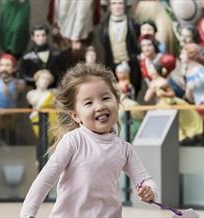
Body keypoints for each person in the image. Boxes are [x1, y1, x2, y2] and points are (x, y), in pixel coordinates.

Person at [21, 63, 157, 218]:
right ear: (75, 115)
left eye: (106, 98)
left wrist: (149, 191)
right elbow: (45, 179)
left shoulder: (124, 149)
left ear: (117, 101)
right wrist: (28, 214)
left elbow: (146, 179)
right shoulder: (73, 141)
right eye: (88, 103)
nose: (99, 106)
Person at [99, 0, 141, 98]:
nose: (117, 6)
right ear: (110, 6)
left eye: (120, 3)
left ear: (125, 5)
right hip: (112, 64)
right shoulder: (104, 25)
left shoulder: (133, 24)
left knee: (131, 91)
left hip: (130, 64)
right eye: (114, 3)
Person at [26, 69, 56, 138]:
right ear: (37, 79)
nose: (45, 81)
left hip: (50, 120)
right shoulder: (31, 93)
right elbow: (33, 101)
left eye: (48, 80)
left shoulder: (51, 94)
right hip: (36, 118)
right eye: (43, 78)